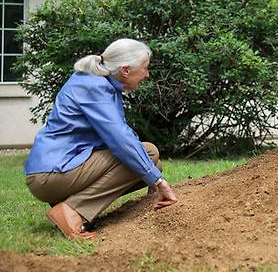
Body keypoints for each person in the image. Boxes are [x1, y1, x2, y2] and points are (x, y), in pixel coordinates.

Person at [24, 39, 177, 240]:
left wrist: (152, 173)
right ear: (125, 70)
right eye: (145, 68)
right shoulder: (94, 86)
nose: (147, 75)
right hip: (51, 174)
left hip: (60, 168)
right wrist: (158, 181)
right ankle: (71, 212)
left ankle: (71, 204)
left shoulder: (98, 82)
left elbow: (121, 134)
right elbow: (120, 140)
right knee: (147, 154)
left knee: (151, 158)